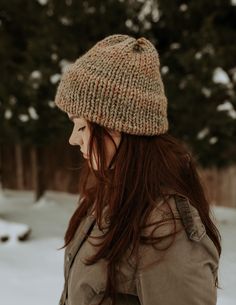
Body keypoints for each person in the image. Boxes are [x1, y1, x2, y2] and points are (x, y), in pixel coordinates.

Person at [54, 34, 221, 305]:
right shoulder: (109, 199)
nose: (73, 139)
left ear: (118, 129)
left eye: (82, 126)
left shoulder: (166, 229)